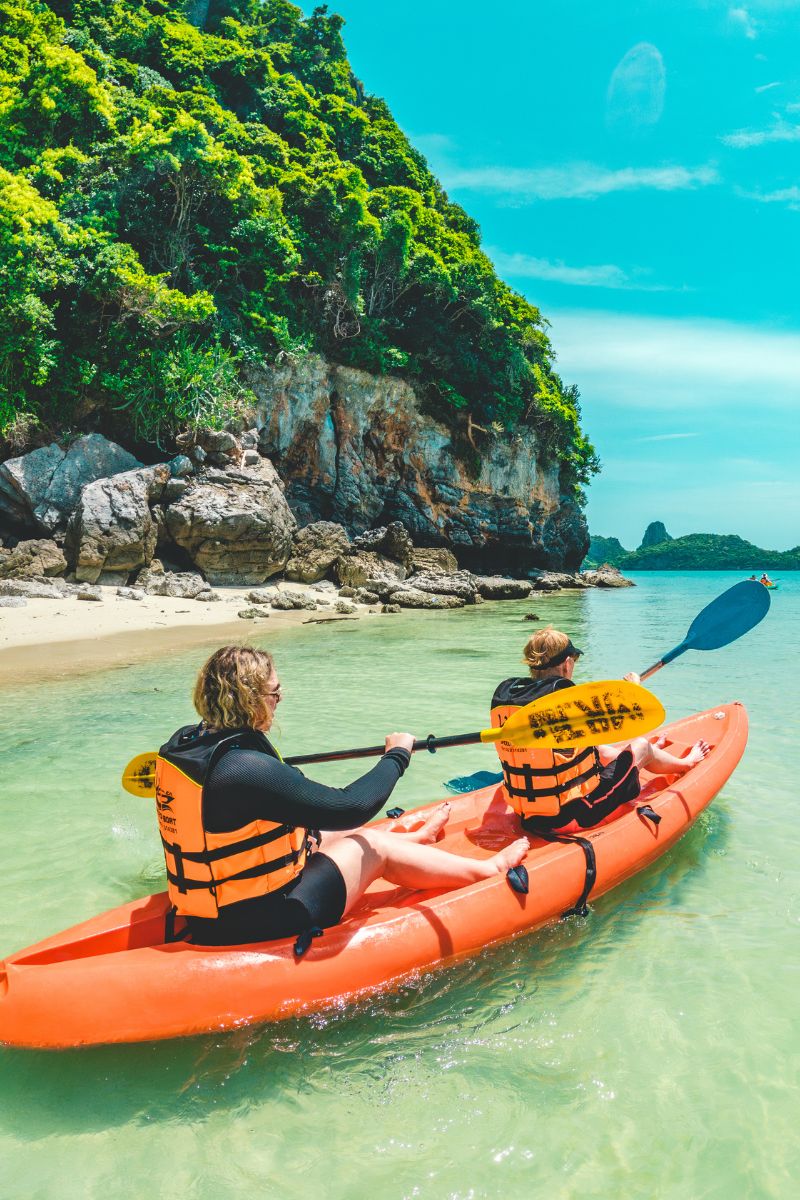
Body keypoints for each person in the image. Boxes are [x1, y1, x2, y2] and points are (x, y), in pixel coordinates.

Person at [155, 645, 528, 946]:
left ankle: (414, 840)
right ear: (248, 698)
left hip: (210, 912)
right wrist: (396, 757)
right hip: (257, 919)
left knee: (321, 834)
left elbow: (296, 809)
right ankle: (487, 869)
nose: (279, 700)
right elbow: (351, 807)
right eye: (275, 693)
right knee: (367, 842)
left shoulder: (185, 749)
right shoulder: (244, 768)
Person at [490, 626, 710, 835]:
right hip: (575, 815)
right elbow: (623, 722)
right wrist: (633, 690)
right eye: (574, 660)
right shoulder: (565, 700)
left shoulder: (513, 698)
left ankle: (653, 755)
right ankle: (687, 763)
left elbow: (591, 746)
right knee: (642, 746)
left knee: (601, 750)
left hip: (528, 816)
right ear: (567, 663)